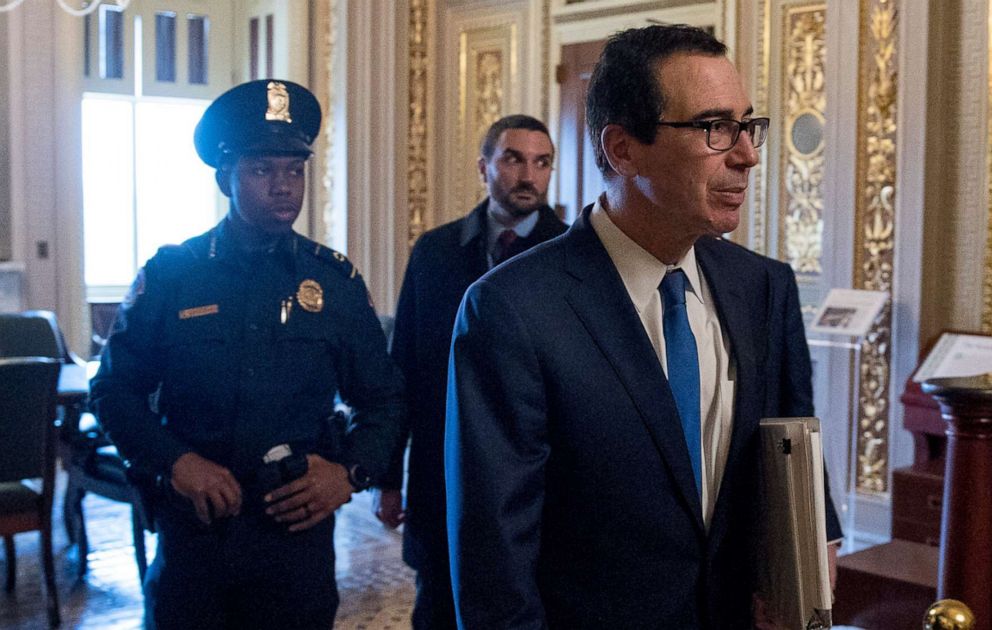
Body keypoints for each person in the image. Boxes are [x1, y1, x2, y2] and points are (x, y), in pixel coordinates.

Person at [444, 25, 843, 629]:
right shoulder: (512, 310)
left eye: (747, 125)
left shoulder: (763, 288)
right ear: (623, 147)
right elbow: (495, 561)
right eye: (715, 128)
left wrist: (810, 566)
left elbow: (793, 455)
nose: (748, 155)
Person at [90, 79, 404, 630]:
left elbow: (384, 398)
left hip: (296, 537)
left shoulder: (334, 282)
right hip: (197, 534)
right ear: (225, 178)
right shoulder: (173, 276)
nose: (284, 186)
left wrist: (350, 473)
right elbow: (114, 392)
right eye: (262, 170)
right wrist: (177, 461)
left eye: (295, 170)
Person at [372, 114, 567, 629]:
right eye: (513, 159)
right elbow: (404, 371)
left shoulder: (571, 257)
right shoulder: (435, 253)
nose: (529, 175)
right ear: (484, 167)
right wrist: (389, 479)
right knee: (436, 612)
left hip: (540, 495)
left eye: (541, 162)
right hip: (441, 484)